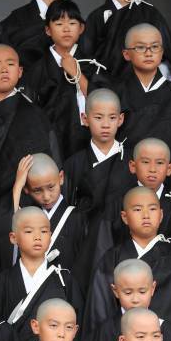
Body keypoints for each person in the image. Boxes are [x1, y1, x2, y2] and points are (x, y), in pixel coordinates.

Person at [0, 44, 62, 246]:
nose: (4, 69)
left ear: (20, 72)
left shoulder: (35, 115)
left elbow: (52, 164)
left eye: (10, 64)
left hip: (26, 208)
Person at [84, 187, 171, 338]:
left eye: (152, 209)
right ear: (124, 217)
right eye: (137, 210)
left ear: (161, 215)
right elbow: (99, 311)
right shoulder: (111, 259)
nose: (146, 215)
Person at [0, 207, 83, 341]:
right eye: (29, 231)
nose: (37, 237)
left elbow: (78, 327)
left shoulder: (64, 280)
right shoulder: (2, 282)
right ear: (13, 238)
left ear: (51, 237)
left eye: (44, 231)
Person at [63, 88, 132, 289]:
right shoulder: (73, 164)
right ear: (84, 118)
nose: (105, 124)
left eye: (111, 118)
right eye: (98, 117)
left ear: (120, 120)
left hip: (124, 242)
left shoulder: (131, 161)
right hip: (84, 246)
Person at [24, 0, 107, 159]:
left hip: (89, 144)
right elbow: (30, 113)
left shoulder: (93, 64)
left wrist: (77, 74)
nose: (67, 29)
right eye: (59, 24)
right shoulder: (37, 70)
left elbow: (103, 102)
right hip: (49, 145)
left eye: (72, 23)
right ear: (48, 30)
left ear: (81, 28)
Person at [78, 259, 171, 341]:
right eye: (128, 293)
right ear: (115, 290)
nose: (135, 300)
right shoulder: (104, 332)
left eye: (142, 292)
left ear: (152, 288)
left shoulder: (165, 331)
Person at [104, 24, 171, 156]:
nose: (149, 53)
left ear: (162, 52)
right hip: (124, 170)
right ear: (126, 54)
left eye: (155, 47)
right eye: (140, 47)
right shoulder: (115, 95)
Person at [12, 153, 85, 273]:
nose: (46, 197)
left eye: (51, 187)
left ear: (61, 178)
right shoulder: (25, 216)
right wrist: (17, 188)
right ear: (26, 189)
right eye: (37, 190)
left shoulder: (78, 218)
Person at [82, 0, 171, 77]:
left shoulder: (152, 13)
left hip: (149, 87)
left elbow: (168, 55)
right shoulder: (97, 17)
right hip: (107, 86)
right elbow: (87, 58)